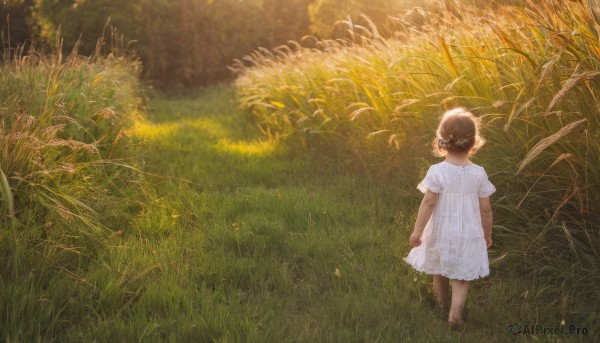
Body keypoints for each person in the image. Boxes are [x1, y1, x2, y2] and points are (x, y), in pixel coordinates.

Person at [404, 107, 495, 325]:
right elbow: (486, 209)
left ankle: (442, 306)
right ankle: (455, 313)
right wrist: (486, 233)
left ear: (442, 140)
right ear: (473, 142)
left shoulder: (437, 171)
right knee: (462, 276)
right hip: (469, 234)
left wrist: (418, 231)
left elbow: (428, 202)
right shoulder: (478, 173)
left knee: (440, 270)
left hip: (442, 232)